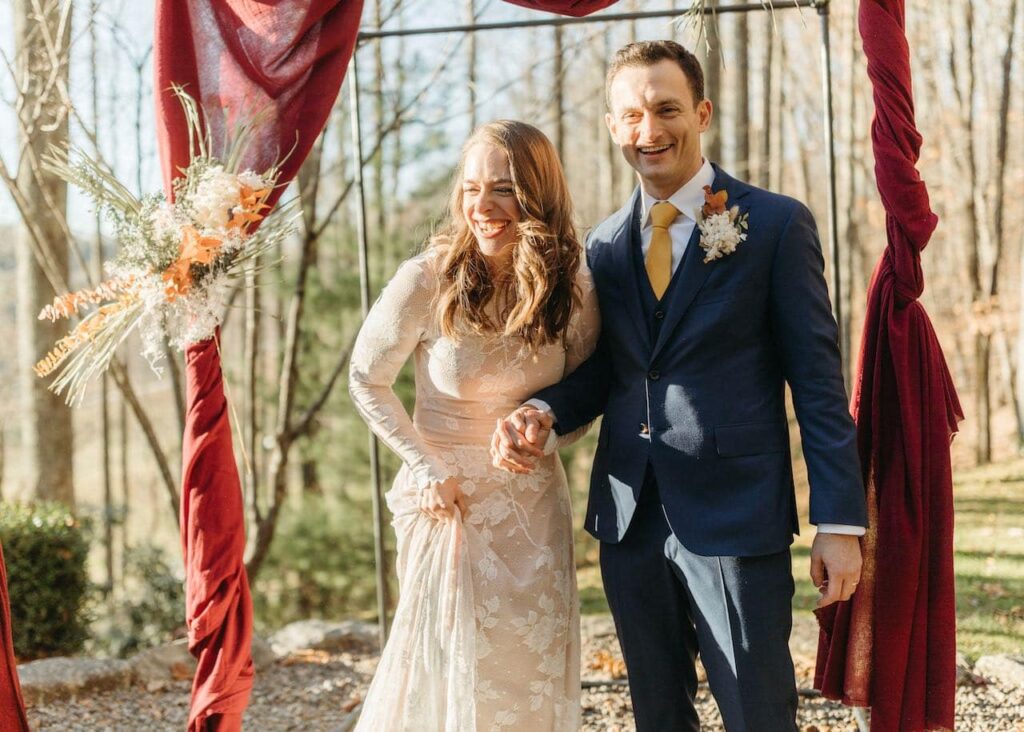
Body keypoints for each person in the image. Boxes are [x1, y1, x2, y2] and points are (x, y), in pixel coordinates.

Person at [492, 41, 868, 732]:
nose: (649, 130)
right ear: (612, 126)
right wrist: (543, 407)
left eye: (666, 109)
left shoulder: (776, 225)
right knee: (658, 715)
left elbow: (817, 381)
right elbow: (609, 369)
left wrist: (838, 522)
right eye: (631, 114)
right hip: (627, 514)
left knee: (758, 711)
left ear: (701, 112)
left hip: (735, 512)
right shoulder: (601, 246)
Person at [348, 120, 600, 731]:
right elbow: (366, 379)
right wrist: (424, 466)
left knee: (528, 665)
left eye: (504, 188)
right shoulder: (425, 279)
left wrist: (547, 429)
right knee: (447, 672)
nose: (482, 206)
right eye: (470, 188)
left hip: (533, 505)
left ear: (538, 194)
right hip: (447, 503)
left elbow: (585, 392)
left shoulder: (573, 282)